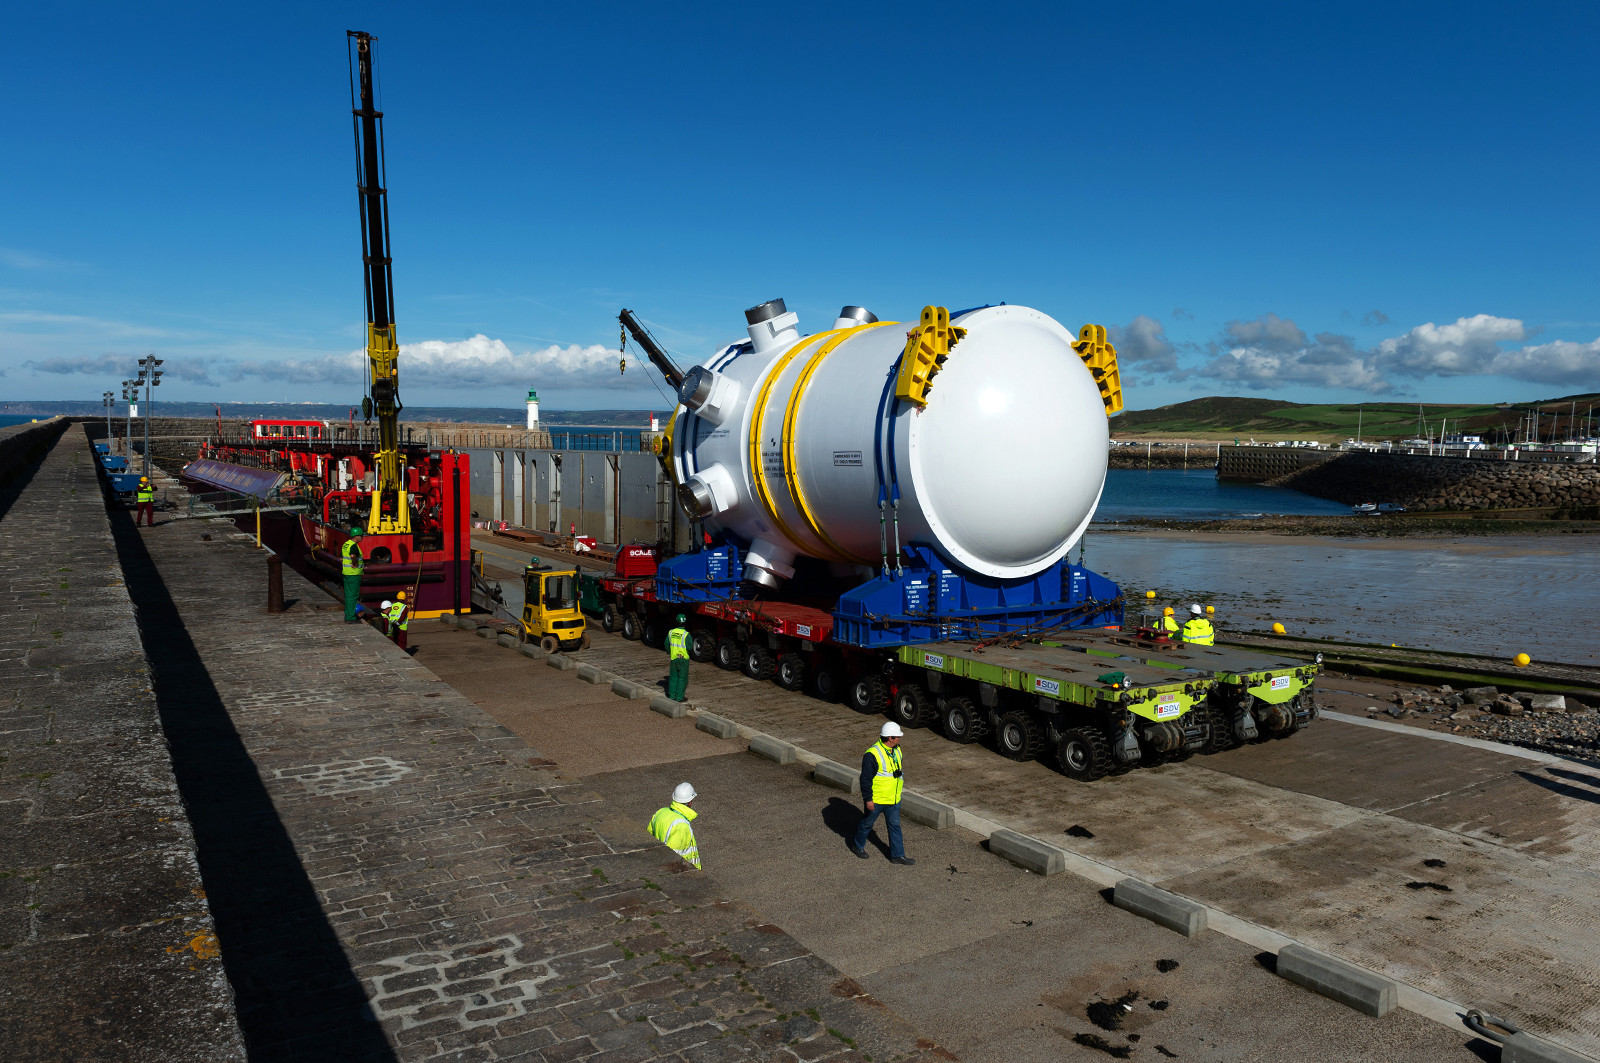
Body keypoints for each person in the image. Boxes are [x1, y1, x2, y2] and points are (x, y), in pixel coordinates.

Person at [851, 722, 915, 865]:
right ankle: (857, 845)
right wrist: (868, 799)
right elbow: (865, 779)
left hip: (893, 799)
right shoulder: (872, 754)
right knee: (867, 824)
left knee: (895, 826)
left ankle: (897, 855)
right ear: (890, 738)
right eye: (898, 736)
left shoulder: (896, 750)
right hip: (877, 800)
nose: (900, 738)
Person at [647, 782, 701, 870]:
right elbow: (675, 858)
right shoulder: (681, 825)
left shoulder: (661, 812)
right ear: (690, 802)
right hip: (684, 871)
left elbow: (648, 836)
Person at [341, 527, 365, 624]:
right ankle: (350, 617)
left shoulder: (346, 544)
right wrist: (355, 563)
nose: (362, 538)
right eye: (361, 536)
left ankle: (348, 614)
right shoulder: (354, 546)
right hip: (353, 574)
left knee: (348, 596)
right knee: (353, 596)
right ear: (357, 536)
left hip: (346, 573)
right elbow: (353, 556)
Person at [665, 614, 691, 702]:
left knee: (673, 677)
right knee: (682, 679)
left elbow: (666, 644)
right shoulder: (686, 634)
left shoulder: (671, 632)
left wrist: (670, 652)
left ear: (676, 622)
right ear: (685, 623)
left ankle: (672, 695)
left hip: (674, 658)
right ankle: (679, 697)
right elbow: (690, 647)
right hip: (683, 659)